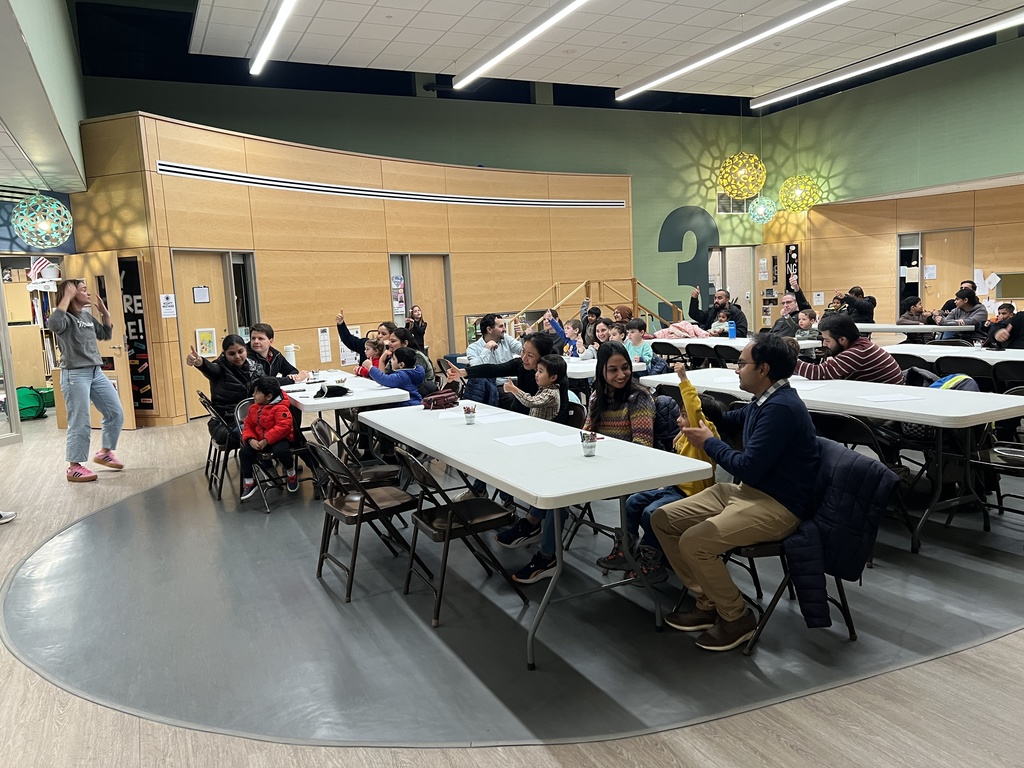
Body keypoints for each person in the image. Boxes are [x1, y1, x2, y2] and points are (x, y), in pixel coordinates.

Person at [652, 333, 819, 652]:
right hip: (748, 493)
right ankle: (709, 601)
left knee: (695, 542)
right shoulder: (764, 400)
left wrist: (708, 442)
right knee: (663, 519)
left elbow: (748, 468)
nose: (736, 369)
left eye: (742, 364)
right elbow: (727, 418)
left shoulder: (781, 408)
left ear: (763, 369)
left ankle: (737, 617)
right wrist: (694, 406)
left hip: (778, 506)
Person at [505, 341, 655, 583]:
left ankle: (545, 553)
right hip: (597, 464)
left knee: (561, 491)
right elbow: (586, 434)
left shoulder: (639, 398)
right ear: (601, 371)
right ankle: (534, 529)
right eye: (613, 369)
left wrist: (598, 455)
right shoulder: (598, 395)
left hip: (625, 471)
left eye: (625, 368)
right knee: (552, 479)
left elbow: (642, 447)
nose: (621, 374)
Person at [598, 363, 722, 583]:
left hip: (694, 496)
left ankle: (652, 560)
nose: (678, 419)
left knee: (652, 513)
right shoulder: (685, 436)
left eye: (683, 415)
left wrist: (683, 378)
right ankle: (626, 549)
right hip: (675, 488)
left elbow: (694, 409)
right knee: (633, 502)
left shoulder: (706, 437)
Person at [449, 333, 570, 503]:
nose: (524, 358)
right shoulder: (521, 365)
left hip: (540, 431)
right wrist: (464, 372)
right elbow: (494, 369)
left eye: (530, 355)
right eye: (523, 352)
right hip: (519, 421)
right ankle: (481, 491)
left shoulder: (555, 378)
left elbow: (562, 412)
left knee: (501, 453)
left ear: (543, 357)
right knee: (489, 444)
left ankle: (504, 501)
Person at [48, 278, 125, 483]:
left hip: (95, 372)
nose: (88, 293)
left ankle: (105, 452)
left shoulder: (86, 316)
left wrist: (105, 314)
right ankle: (74, 467)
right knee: (80, 420)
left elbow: (105, 334)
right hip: (75, 374)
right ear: (72, 293)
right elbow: (53, 324)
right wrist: (66, 297)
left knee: (115, 412)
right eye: (83, 290)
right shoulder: (65, 318)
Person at [188, 333, 264, 448]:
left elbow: (267, 384)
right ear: (224, 354)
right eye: (232, 353)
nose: (237, 356)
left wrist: (290, 378)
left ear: (246, 350)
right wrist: (200, 362)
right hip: (226, 422)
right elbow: (210, 368)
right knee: (256, 432)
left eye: (240, 351)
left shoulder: (255, 367)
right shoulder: (220, 368)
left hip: (251, 416)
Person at [794, 313, 903, 384]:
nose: (824, 344)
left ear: (842, 339)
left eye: (827, 340)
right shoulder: (862, 344)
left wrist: (788, 359)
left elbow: (819, 373)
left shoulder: (856, 352)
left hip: (885, 406)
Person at [239, 376, 297, 501]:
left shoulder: (281, 408)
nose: (253, 395)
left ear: (269, 396)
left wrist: (266, 440)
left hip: (280, 437)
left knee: (281, 451)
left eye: (257, 392)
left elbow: (284, 427)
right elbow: (248, 425)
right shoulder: (254, 408)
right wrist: (250, 440)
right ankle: (249, 481)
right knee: (244, 452)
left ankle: (291, 473)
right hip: (259, 440)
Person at [464, 313, 524, 407]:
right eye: (501, 326)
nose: (504, 329)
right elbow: (476, 369)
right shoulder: (473, 348)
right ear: (489, 329)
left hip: (515, 381)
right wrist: (487, 349)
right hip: (496, 385)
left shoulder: (506, 339)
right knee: (511, 398)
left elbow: (523, 351)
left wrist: (523, 336)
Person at [503, 354, 565, 421]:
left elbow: (531, 402)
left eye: (540, 371)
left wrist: (514, 389)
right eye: (537, 370)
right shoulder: (544, 389)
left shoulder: (551, 394)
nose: (536, 374)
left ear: (553, 377)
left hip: (543, 426)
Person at [382, 328, 436, 394]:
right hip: (402, 391)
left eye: (393, 341)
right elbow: (385, 377)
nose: (389, 344)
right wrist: (382, 360)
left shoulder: (416, 357)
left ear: (405, 343)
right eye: (389, 341)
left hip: (421, 394)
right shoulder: (395, 356)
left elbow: (415, 382)